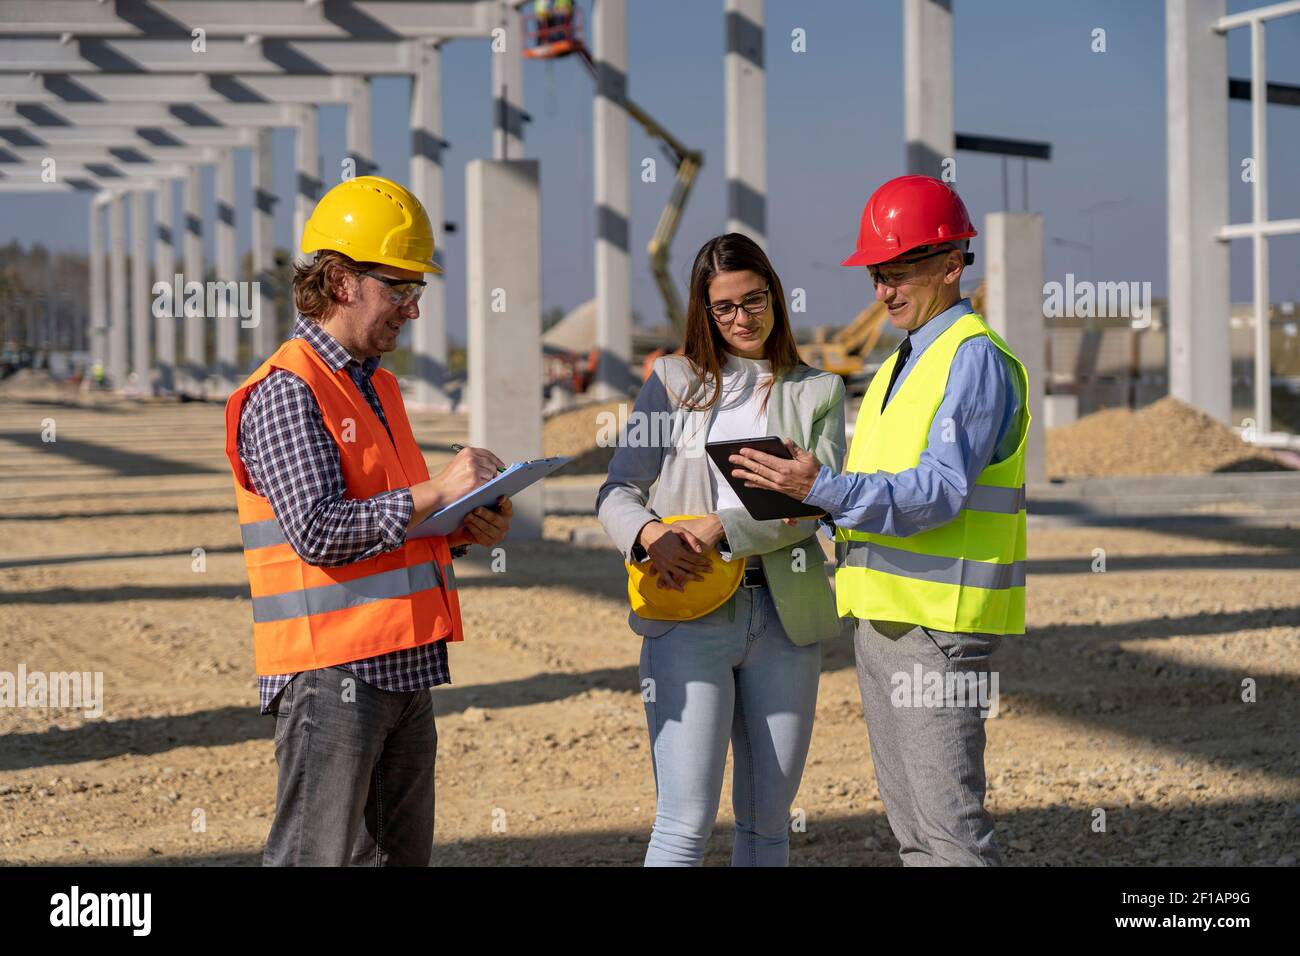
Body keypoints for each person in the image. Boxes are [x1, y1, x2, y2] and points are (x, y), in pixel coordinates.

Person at [730, 175, 1028, 866]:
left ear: (952, 265)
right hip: (885, 618)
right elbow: (881, 489)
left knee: (951, 832)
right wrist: (809, 500)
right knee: (915, 838)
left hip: (938, 624)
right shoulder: (903, 358)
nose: (884, 292)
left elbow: (941, 490)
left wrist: (826, 488)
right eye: (876, 276)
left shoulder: (972, 357)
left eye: (899, 273)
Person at [224, 175, 513, 866]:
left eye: (417, 290)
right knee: (312, 858)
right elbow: (319, 530)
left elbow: (388, 517)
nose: (412, 310)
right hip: (332, 669)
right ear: (340, 281)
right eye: (399, 289)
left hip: (404, 663)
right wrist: (440, 488)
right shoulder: (287, 390)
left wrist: (460, 524)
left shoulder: (377, 384)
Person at [597, 233, 847, 866]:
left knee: (768, 825)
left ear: (775, 296)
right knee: (685, 824)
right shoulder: (673, 383)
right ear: (704, 312)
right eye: (725, 307)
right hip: (690, 617)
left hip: (785, 620)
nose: (742, 318)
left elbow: (817, 502)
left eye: (754, 300)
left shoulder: (819, 392)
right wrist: (651, 534)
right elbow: (617, 491)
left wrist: (720, 526)